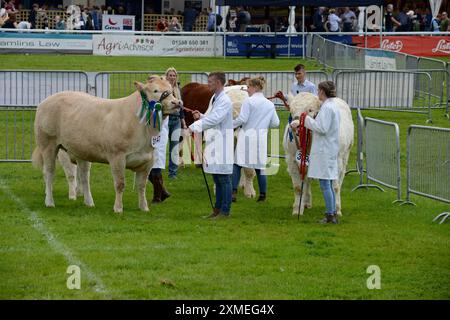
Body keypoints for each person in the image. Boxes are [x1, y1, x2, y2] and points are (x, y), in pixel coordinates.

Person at [292, 81, 341, 224]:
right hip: (328, 148)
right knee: (328, 183)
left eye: (319, 91)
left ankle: (330, 215)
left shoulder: (327, 108)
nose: (317, 93)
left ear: (322, 92)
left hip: (325, 150)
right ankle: (331, 213)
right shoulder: (332, 106)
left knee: (325, 184)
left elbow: (322, 128)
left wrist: (304, 119)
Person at [188, 72, 234, 219]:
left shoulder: (225, 100)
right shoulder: (215, 98)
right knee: (216, 177)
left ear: (219, 83)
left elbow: (216, 119)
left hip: (222, 143)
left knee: (224, 178)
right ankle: (217, 209)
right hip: (214, 142)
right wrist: (201, 116)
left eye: (211, 82)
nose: (208, 84)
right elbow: (212, 117)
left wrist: (194, 126)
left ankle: (225, 211)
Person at [232, 76, 280, 203]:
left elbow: (242, 119)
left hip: (247, 136)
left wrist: (230, 125)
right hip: (261, 138)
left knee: (237, 164)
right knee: (260, 167)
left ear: (255, 87)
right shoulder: (269, 104)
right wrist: (263, 124)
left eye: (248, 87)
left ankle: (233, 192)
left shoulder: (249, 101)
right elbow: (276, 123)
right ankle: (263, 195)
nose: (247, 90)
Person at [148, 75, 171, 204]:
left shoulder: (164, 100)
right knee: (148, 164)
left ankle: (158, 196)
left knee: (155, 163)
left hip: (159, 134)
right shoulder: (151, 98)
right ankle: (163, 191)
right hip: (150, 134)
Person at [165, 67, 187, 179]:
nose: (172, 77)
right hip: (165, 120)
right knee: (160, 147)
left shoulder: (178, 89)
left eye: (174, 75)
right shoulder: (164, 89)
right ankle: (155, 171)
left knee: (174, 148)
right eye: (170, 75)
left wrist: (183, 122)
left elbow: (181, 108)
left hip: (176, 120)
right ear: (166, 76)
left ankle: (172, 173)